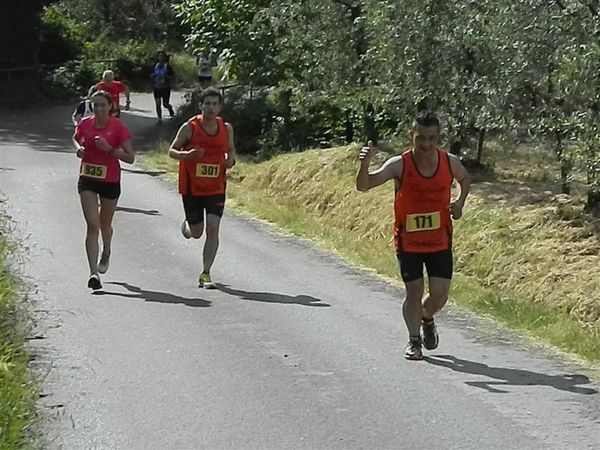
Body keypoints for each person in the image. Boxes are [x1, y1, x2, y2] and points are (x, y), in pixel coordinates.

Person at [356, 112, 471, 360]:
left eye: (431, 138)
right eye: (421, 139)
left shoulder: (449, 162)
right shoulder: (400, 164)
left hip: (439, 239)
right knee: (414, 292)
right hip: (409, 242)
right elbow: (364, 185)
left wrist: (459, 202)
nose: (426, 145)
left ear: (438, 137)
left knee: (440, 295)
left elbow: (464, 178)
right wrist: (364, 166)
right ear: (412, 137)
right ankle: (414, 340)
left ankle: (426, 317)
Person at [168, 87, 237, 289]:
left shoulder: (226, 128)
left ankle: (206, 273)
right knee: (197, 233)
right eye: (207, 103)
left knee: (213, 228)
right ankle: (189, 226)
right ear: (200, 106)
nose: (210, 107)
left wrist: (230, 160)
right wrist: (187, 155)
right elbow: (172, 151)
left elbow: (230, 149)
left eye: (215, 104)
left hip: (216, 187)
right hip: (192, 188)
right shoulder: (190, 127)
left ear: (220, 107)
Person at [72, 89, 135, 290]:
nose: (98, 108)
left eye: (102, 105)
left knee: (104, 224)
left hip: (110, 180)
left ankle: (106, 249)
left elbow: (130, 157)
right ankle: (93, 274)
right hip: (88, 178)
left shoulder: (118, 128)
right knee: (92, 226)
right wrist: (78, 148)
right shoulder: (84, 124)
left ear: (110, 107)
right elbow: (76, 137)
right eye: (95, 105)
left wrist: (109, 149)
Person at [151, 51, 175, 123]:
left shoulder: (167, 66)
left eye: (162, 56)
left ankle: (171, 110)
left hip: (165, 87)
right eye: (159, 56)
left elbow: (173, 76)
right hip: (156, 87)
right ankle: (159, 118)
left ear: (165, 58)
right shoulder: (155, 65)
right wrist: (152, 76)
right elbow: (151, 74)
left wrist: (166, 76)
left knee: (165, 104)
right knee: (158, 103)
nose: (160, 57)